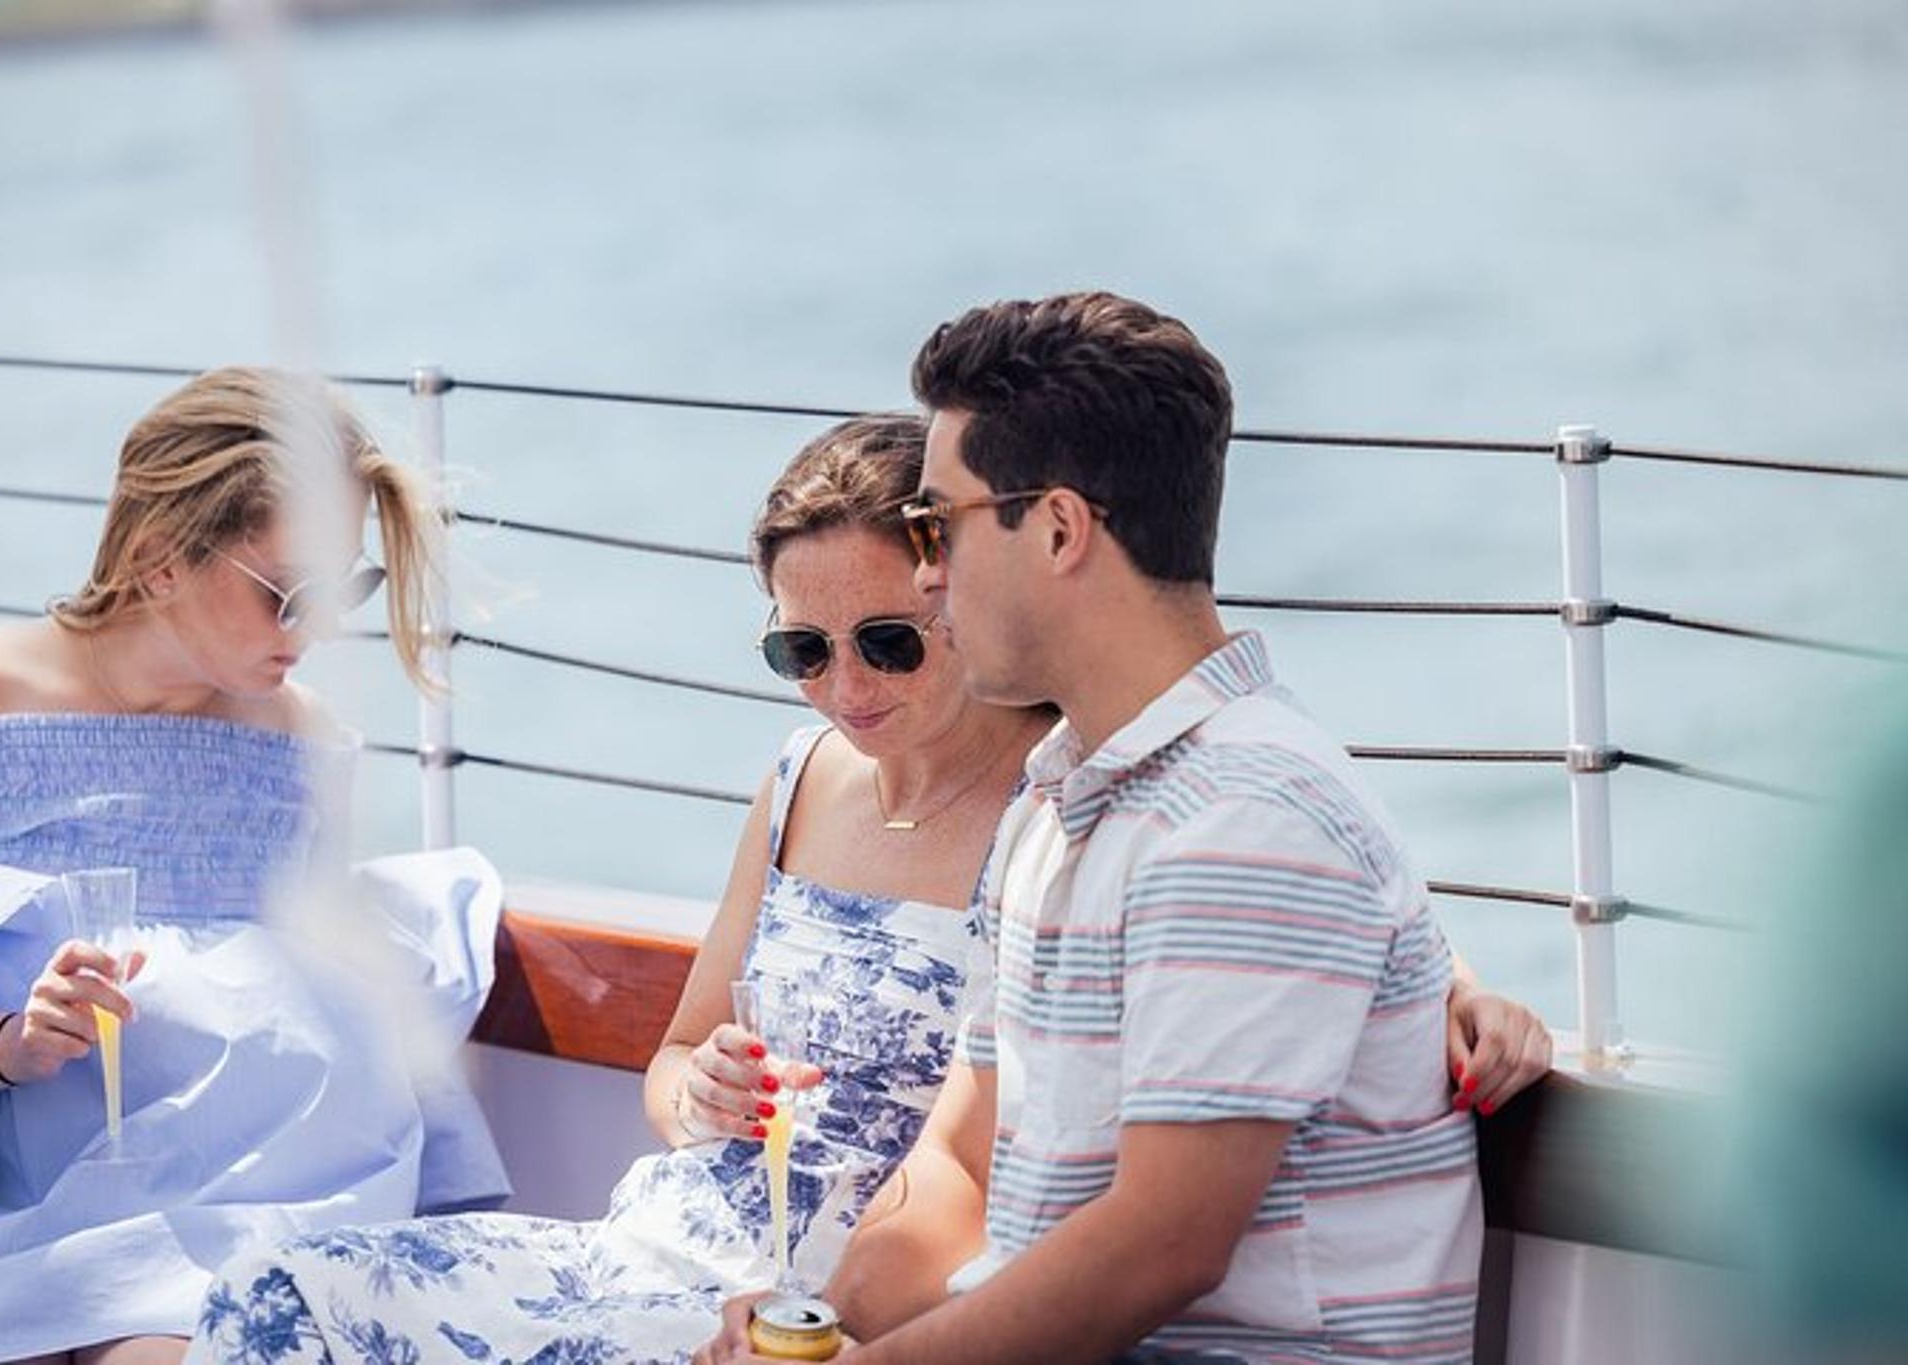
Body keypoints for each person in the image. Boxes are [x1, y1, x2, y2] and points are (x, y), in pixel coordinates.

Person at [192, 414, 1546, 1364]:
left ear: (960, 590)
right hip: (653, 1239)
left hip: (828, 1294)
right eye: (803, 648)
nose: (846, 689)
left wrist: (1461, 981)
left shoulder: (1064, 799)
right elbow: (671, 1068)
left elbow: (1274, 873)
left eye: (890, 640)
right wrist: (696, 1089)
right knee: (268, 1303)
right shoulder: (798, 782)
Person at [702, 292, 1489, 1364]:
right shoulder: (1060, 804)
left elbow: (1159, 1249)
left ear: (1061, 529)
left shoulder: (1242, 819)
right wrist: (820, 1335)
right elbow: (961, 1175)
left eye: (937, 526)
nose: (925, 573)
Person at [0, 367, 507, 1365]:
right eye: (289, 593)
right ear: (161, 563)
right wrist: (14, 1044)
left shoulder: (304, 749)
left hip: (251, 1216)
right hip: (6, 1222)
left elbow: (294, 1048)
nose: (321, 631)